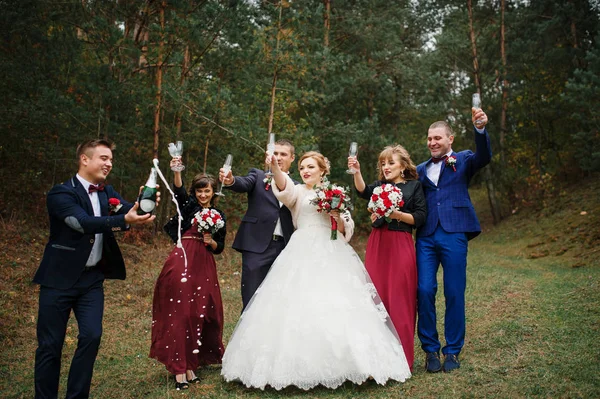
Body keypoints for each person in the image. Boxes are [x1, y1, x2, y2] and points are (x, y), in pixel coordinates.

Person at [221, 151, 411, 390]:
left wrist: (336, 216)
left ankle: (355, 363)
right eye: (302, 168)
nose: (305, 171)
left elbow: (345, 228)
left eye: (311, 167)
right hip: (300, 249)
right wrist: (275, 167)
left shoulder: (336, 192)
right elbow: (284, 187)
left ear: (323, 170)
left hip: (333, 248)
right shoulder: (298, 192)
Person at [33, 139, 159, 399]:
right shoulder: (60, 193)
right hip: (58, 279)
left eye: (111, 159)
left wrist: (144, 204)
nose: (109, 163)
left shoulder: (106, 192)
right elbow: (82, 223)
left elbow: (128, 211)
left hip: (91, 281)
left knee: (91, 337)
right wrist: (123, 221)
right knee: (50, 346)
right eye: (103, 158)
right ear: (84, 159)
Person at [415, 108, 491, 373]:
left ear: (450, 139)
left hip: (454, 232)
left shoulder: (463, 159)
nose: (433, 142)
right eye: (429, 139)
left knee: (454, 292)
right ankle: (430, 350)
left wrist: (480, 129)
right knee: (424, 290)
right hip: (425, 236)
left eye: (438, 138)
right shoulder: (419, 169)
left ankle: (453, 351)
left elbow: (484, 156)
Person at [150, 158, 226, 390]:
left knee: (201, 312)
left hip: (204, 264)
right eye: (199, 191)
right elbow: (179, 190)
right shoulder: (188, 206)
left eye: (207, 191)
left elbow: (220, 247)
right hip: (183, 259)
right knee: (181, 311)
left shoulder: (218, 214)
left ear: (213, 192)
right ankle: (180, 368)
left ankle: (193, 361)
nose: (203, 195)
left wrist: (210, 240)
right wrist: (177, 171)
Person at [349, 144, 426, 371]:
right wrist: (357, 172)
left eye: (391, 163)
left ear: (403, 166)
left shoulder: (414, 187)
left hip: (400, 243)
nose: (386, 167)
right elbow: (363, 191)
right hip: (378, 243)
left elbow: (420, 217)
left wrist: (396, 214)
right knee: (376, 296)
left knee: (400, 297)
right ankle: (377, 358)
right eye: (383, 163)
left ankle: (402, 359)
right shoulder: (381, 186)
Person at [218, 139, 295, 310]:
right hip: (256, 246)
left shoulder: (298, 186)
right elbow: (242, 183)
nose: (279, 157)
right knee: (251, 297)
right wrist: (230, 180)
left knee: (280, 299)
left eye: (283, 154)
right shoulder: (258, 176)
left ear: (292, 158)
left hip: (286, 249)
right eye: (275, 153)